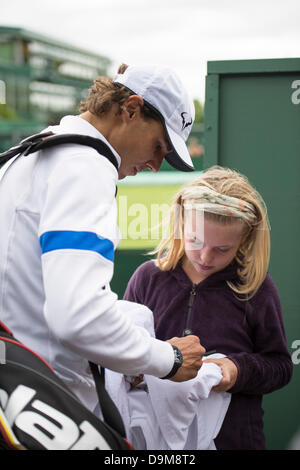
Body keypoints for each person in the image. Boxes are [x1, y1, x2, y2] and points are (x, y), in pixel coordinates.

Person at [0, 64, 206, 415]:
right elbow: (78, 317)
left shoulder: (27, 154)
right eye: (159, 145)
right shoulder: (85, 166)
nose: (157, 164)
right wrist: (167, 358)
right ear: (130, 109)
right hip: (43, 406)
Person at [124, 165, 293, 450]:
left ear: (245, 238)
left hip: (235, 440)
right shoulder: (147, 278)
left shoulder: (256, 288)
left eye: (222, 249)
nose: (205, 256)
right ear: (180, 225)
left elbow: (279, 365)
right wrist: (139, 369)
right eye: (195, 241)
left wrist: (237, 370)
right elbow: (121, 351)